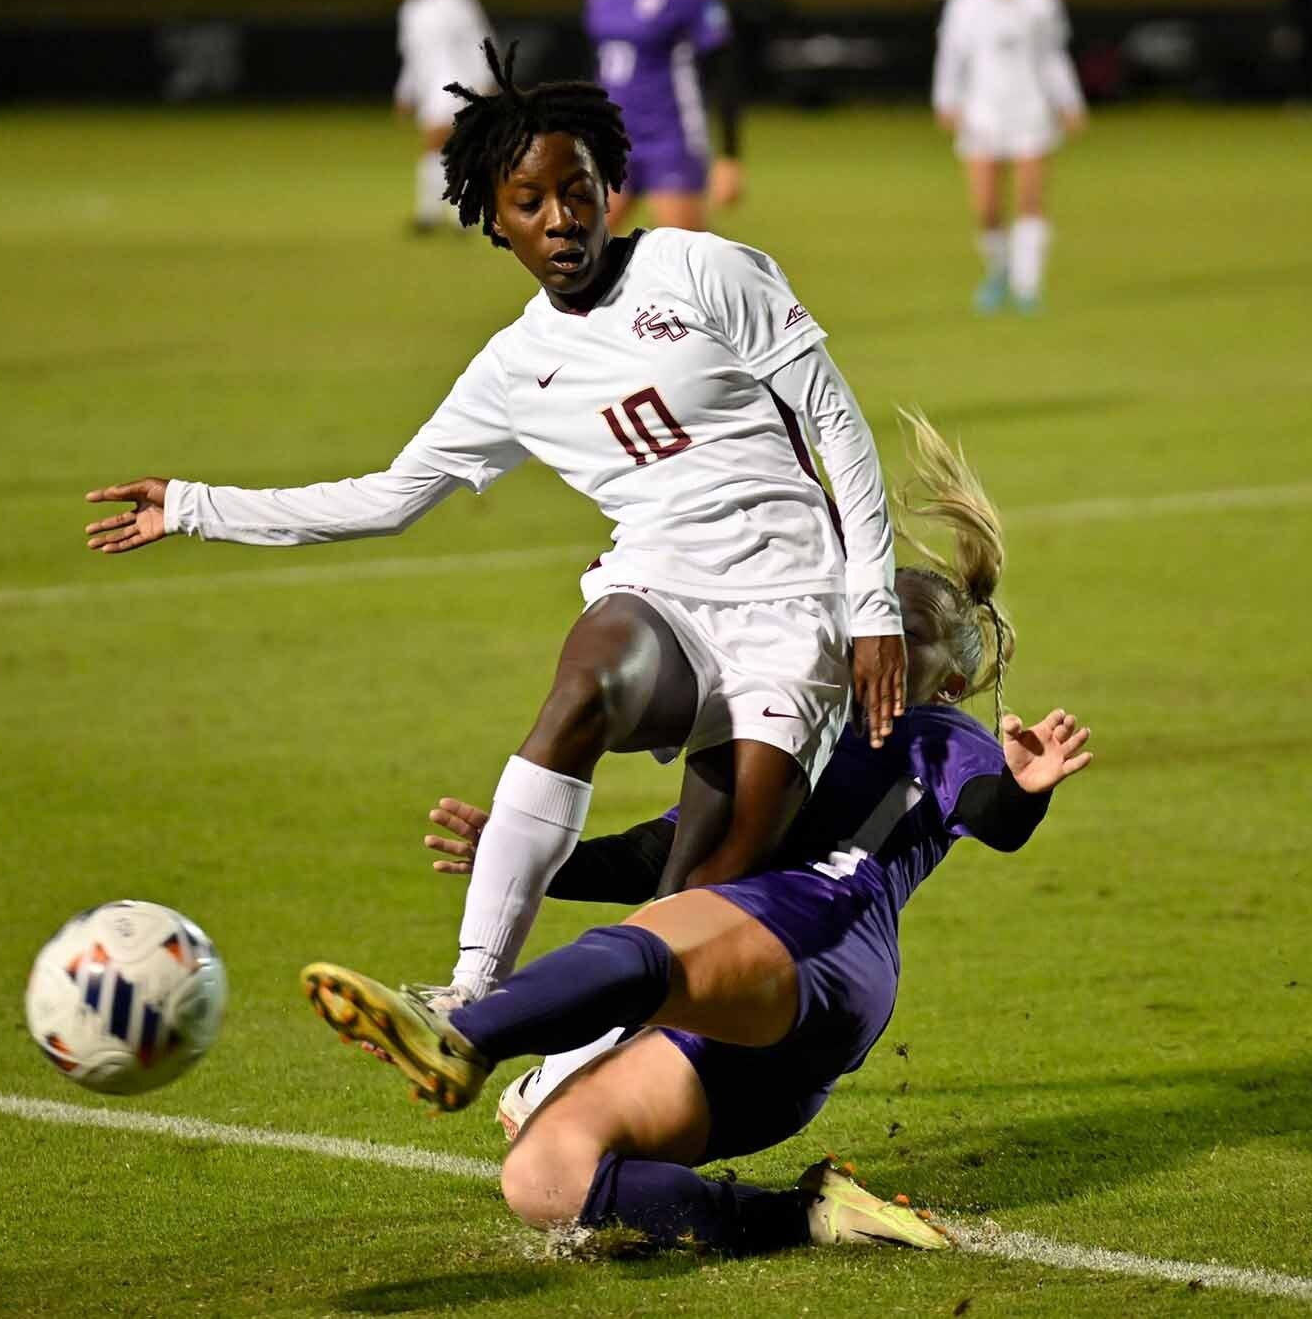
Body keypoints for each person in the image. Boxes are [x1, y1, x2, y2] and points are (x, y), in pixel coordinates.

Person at [84, 42, 905, 1013]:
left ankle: (561, 1062)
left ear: (611, 186)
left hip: (790, 616)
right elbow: (387, 498)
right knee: (590, 673)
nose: (560, 217)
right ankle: (469, 989)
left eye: (578, 189)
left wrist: (872, 610)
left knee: (689, 905)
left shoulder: (701, 268)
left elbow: (835, 421)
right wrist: (191, 504)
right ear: (492, 219)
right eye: (529, 202)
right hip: (664, 597)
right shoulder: (512, 368)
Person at [301, 416, 1096, 1254]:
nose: (877, 643)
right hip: (748, 1027)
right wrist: (530, 854)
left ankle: (467, 1033)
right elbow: (661, 850)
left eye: (905, 635)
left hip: (821, 940)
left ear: (955, 678)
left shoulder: (939, 735)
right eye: (870, 620)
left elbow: (990, 817)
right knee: (544, 1176)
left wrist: (1023, 787)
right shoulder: (805, 720)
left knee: (651, 937)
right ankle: (809, 1215)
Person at [931, 0, 1086, 315]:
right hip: (982, 113)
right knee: (987, 207)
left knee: (1030, 198)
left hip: (1031, 110)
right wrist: (946, 98)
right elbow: (952, 54)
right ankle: (999, 269)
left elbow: (1052, 55)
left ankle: (1027, 285)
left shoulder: (1041, 1)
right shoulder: (966, 2)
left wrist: (1069, 101)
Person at [586, 0, 743, 231]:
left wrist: (730, 155)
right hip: (611, 135)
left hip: (669, 136)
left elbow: (723, 71)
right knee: (579, 252)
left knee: (681, 256)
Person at [393, 0, 494, 233]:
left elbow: (478, 38)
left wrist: (485, 79)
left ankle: (437, 214)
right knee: (446, 149)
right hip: (430, 91)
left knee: (437, 141)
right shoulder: (410, 10)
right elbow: (412, 57)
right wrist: (405, 92)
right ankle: (444, 213)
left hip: (460, 84)